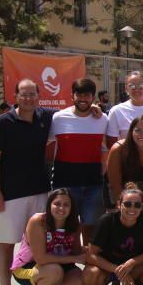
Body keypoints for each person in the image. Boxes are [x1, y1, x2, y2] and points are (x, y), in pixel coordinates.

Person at [0, 78, 57, 285]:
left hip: (39, 191)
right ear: (16, 96)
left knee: (36, 243)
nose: (28, 98)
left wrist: (95, 109)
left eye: (32, 94)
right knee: (7, 242)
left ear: (39, 96)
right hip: (10, 195)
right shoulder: (3, 123)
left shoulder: (45, 117)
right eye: (23, 94)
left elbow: (73, 112)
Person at [10, 189, 86, 285]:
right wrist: (75, 259)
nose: (61, 208)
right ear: (49, 204)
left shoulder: (75, 225)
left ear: (72, 208)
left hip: (60, 265)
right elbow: (41, 258)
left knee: (78, 284)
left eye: (66, 204)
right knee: (54, 270)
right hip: (27, 268)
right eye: (57, 203)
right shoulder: (38, 221)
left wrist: (94, 251)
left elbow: (76, 251)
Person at [49, 77, 107, 242]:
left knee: (91, 227)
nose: (82, 99)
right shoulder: (58, 118)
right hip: (65, 185)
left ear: (93, 97)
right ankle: (67, 265)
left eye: (87, 95)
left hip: (94, 185)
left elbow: (106, 149)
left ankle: (90, 265)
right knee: (66, 227)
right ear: (72, 96)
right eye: (79, 95)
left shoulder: (102, 119)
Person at [105, 115, 143, 212]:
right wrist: (127, 205)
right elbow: (115, 185)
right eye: (138, 130)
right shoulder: (118, 149)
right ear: (131, 132)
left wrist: (140, 204)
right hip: (120, 196)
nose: (141, 134)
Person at [105, 71, 143, 148]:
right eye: (132, 86)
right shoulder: (116, 111)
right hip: (129, 159)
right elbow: (111, 143)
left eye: (140, 86)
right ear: (126, 88)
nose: (137, 89)